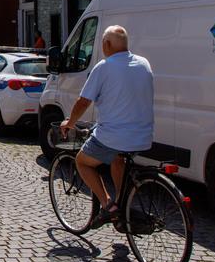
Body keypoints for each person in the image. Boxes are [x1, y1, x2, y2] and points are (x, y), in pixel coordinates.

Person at [59, 25, 154, 229]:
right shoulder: (143, 63)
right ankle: (122, 206)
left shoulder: (104, 66)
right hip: (143, 135)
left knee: (83, 162)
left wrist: (70, 123)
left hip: (114, 136)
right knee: (118, 160)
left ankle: (108, 206)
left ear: (107, 44)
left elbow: (84, 102)